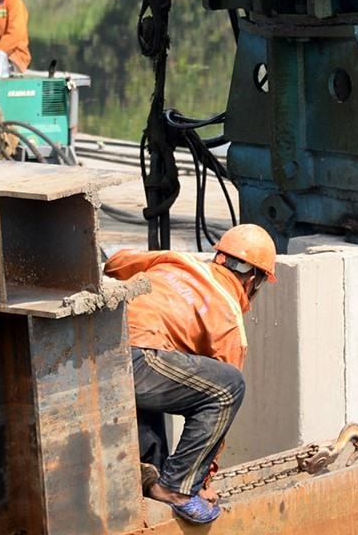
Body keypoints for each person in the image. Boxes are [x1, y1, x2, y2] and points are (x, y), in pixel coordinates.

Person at [102, 224, 277, 525]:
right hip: (136, 355)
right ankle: (177, 489)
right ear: (252, 281)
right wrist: (201, 483)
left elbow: (115, 263)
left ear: (220, 257)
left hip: (99, 345)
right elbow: (219, 413)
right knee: (229, 387)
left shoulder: (178, 261)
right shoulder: (229, 322)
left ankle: (148, 475)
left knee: (161, 377)